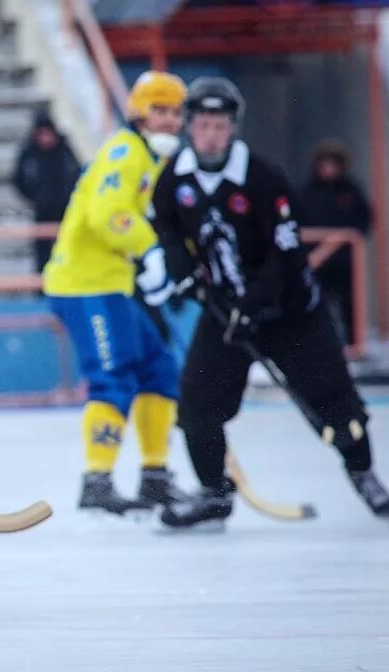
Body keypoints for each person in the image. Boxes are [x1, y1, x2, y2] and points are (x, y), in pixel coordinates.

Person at [149, 78, 389, 529]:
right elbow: (165, 224)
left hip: (291, 314)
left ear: (233, 128)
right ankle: (214, 493)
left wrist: (254, 303)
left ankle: (363, 472)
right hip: (225, 313)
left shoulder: (263, 179)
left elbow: (286, 255)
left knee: (335, 402)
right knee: (197, 408)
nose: (210, 136)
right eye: (202, 126)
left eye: (219, 126)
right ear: (189, 127)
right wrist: (184, 272)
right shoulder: (175, 177)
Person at [42, 70, 190, 518]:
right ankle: (98, 480)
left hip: (112, 283)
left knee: (159, 370)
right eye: (158, 110)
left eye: (175, 112)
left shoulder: (150, 157)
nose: (168, 120)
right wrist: (149, 250)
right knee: (113, 376)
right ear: (139, 112)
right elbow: (108, 215)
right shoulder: (125, 153)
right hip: (86, 284)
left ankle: (155, 474)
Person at [298, 139, 373, 346]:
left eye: (333, 165)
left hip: (344, 260)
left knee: (350, 303)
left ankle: (353, 343)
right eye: (325, 165)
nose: (329, 170)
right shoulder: (307, 191)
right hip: (315, 259)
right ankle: (318, 344)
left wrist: (348, 238)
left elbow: (364, 218)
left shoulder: (350, 190)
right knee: (315, 303)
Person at [11, 108, 81, 270]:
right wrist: (35, 198)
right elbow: (18, 179)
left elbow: (76, 174)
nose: (46, 139)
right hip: (42, 212)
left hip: (65, 211)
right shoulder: (29, 152)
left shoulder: (64, 150)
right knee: (42, 255)